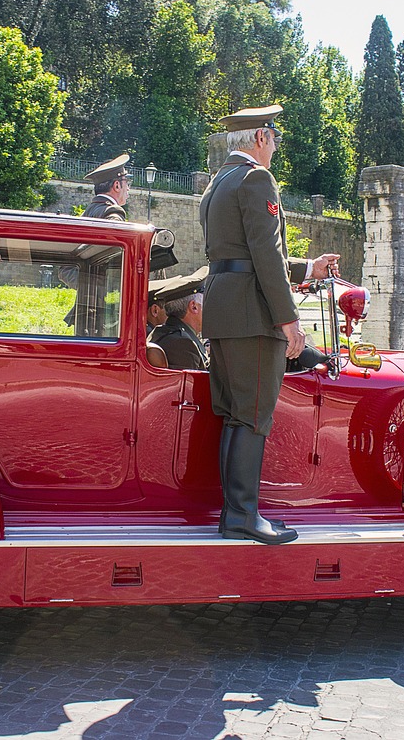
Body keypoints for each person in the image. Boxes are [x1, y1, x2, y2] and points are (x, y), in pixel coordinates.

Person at [200, 104, 339, 545]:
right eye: (275, 138)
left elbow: (245, 254)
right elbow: (264, 255)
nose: (276, 147)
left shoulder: (217, 183)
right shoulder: (257, 179)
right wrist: (289, 322)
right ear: (260, 137)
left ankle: (235, 514)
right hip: (250, 314)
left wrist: (307, 269)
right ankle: (242, 515)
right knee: (254, 416)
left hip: (223, 309)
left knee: (234, 414)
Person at [150, 288, 209, 370]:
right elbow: (195, 381)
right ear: (194, 306)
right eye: (206, 305)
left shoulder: (162, 332)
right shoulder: (182, 343)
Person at [81, 154, 132, 220]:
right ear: (117, 186)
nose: (128, 188)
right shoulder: (112, 213)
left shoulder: (87, 212)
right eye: (127, 182)